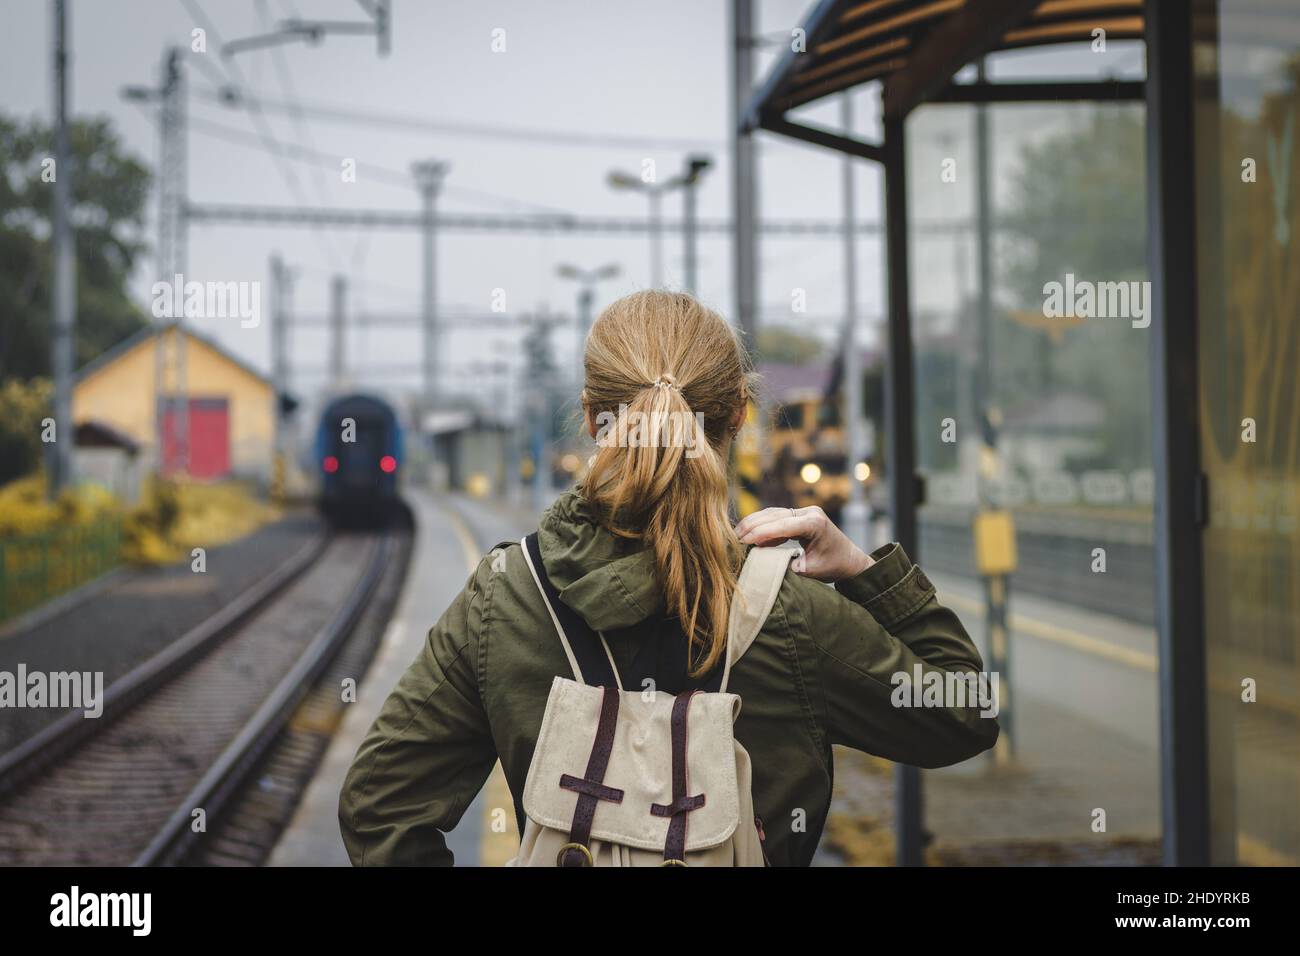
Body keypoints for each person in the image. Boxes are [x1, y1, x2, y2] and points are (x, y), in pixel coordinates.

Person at [339, 289, 998, 866]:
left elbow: (379, 804)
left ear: (594, 414)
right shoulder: (790, 613)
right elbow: (965, 712)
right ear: (739, 413)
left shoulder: (507, 594)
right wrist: (862, 570)